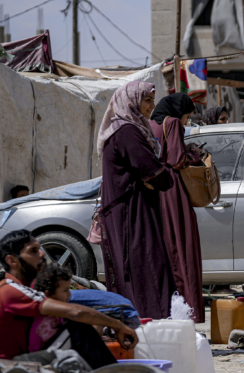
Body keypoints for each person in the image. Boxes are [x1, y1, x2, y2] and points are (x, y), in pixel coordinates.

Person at [0, 230, 137, 367]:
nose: (42, 254)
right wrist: (118, 325)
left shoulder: (20, 287)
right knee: (78, 328)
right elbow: (75, 312)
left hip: (23, 357)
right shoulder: (10, 291)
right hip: (9, 366)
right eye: (33, 251)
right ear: (12, 261)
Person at [97, 81, 176, 320]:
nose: (152, 106)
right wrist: (161, 175)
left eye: (153, 101)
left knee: (138, 267)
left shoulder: (127, 128)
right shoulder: (127, 132)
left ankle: (139, 322)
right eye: (147, 100)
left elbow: (154, 174)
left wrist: (156, 176)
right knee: (147, 266)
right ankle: (152, 321)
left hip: (131, 209)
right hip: (131, 213)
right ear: (132, 101)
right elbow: (158, 175)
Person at [149, 93, 206, 323]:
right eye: (187, 116)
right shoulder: (171, 123)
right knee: (182, 247)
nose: (185, 121)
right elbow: (176, 160)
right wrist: (194, 153)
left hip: (156, 189)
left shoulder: (152, 123)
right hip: (173, 190)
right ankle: (188, 308)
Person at [29, 263, 73, 352]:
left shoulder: (56, 314)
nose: (70, 294)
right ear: (49, 294)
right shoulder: (45, 322)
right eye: (65, 290)